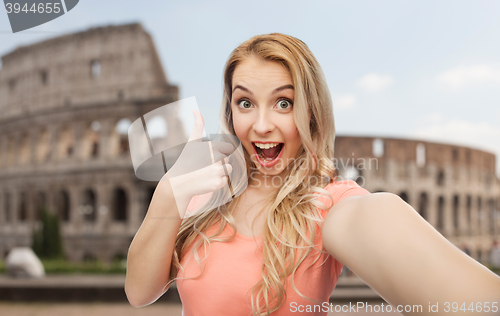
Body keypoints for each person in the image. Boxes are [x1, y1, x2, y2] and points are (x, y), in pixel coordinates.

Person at [125, 33, 500, 315]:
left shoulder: (328, 205)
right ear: (230, 110)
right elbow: (140, 292)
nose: (261, 124)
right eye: (245, 102)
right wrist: (168, 193)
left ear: (311, 113)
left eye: (283, 103)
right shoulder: (207, 194)